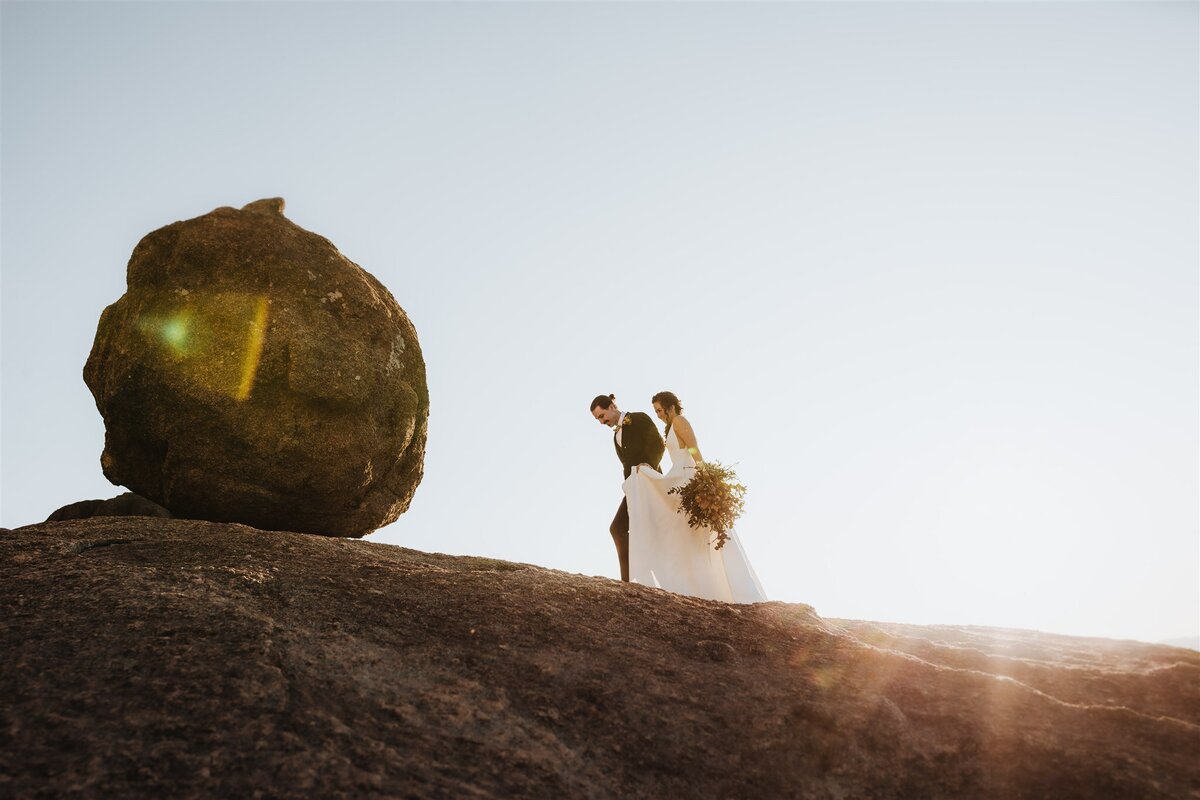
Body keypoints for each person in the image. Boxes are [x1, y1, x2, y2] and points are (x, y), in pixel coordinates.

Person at [623, 391, 767, 603]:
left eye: (660, 410)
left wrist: (705, 476)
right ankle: (696, 585)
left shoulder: (680, 421)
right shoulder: (670, 427)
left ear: (671, 407)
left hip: (688, 475)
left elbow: (693, 448)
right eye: (656, 412)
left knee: (697, 533)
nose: (659, 415)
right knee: (683, 531)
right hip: (678, 476)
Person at [590, 394, 665, 582]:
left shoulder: (639, 418)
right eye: (598, 419)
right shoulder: (616, 437)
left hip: (650, 483)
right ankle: (630, 579)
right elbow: (626, 465)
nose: (601, 422)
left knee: (620, 528)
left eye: (602, 416)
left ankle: (630, 580)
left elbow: (657, 444)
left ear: (612, 406)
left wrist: (649, 467)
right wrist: (628, 487)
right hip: (633, 489)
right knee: (618, 528)